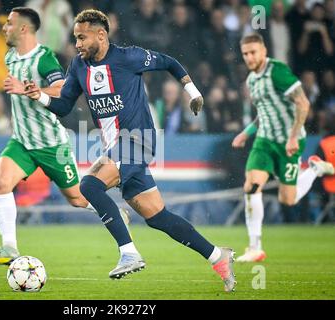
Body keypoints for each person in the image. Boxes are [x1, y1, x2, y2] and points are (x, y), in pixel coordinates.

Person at [24, 9, 236, 292]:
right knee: (158, 217)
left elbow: (169, 62)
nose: (76, 44)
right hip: (116, 146)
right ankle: (216, 256)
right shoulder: (78, 66)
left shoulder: (129, 57)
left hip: (138, 139)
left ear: (101, 35)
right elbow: (63, 106)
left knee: (89, 186)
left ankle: (129, 252)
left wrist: (193, 92)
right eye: (75, 38)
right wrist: (39, 96)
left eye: (81, 37)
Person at [0, 7, 131, 266]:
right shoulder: (10, 57)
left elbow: (63, 89)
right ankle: (9, 248)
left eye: (9, 24)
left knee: (77, 198)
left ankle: (113, 211)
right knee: (2, 182)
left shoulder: (44, 57)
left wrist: (30, 89)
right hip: (22, 141)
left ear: (23, 28)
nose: (4, 28)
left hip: (51, 143)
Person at [231, 33, 334, 262]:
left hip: (289, 142)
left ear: (264, 50)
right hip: (264, 142)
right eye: (245, 54)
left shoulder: (277, 71)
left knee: (288, 199)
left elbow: (303, 103)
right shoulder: (251, 81)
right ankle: (255, 247)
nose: (249, 57)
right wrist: (245, 133)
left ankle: (315, 170)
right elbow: (264, 113)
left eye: (253, 52)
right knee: (251, 186)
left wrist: (293, 136)